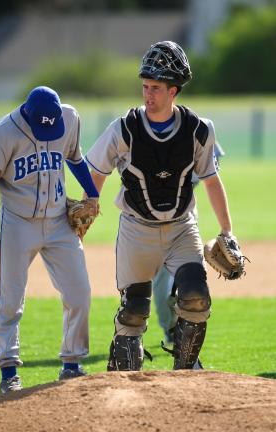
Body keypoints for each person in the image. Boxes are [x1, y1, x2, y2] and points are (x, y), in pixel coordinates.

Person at [85, 41, 239, 371]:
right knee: (134, 311)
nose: (147, 94)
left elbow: (211, 181)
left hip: (182, 226)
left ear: (174, 91)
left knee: (196, 296)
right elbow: (95, 172)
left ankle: (185, 375)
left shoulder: (199, 130)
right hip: (136, 229)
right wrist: (89, 208)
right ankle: (121, 384)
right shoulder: (124, 128)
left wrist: (227, 231)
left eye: (155, 88)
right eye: (144, 86)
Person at [0, 86, 99, 394]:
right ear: (28, 115)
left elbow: (75, 158)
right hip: (17, 223)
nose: (49, 130)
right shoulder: (4, 133)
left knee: (79, 292)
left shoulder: (68, 118)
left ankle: (71, 364)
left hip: (58, 222)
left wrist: (92, 193)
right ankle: (8, 372)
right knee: (11, 299)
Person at [153, 142, 225, 345]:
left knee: (190, 281)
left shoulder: (196, 126)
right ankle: (169, 326)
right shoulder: (145, 128)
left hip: (186, 212)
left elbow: (214, 161)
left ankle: (183, 334)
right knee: (159, 282)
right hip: (149, 217)